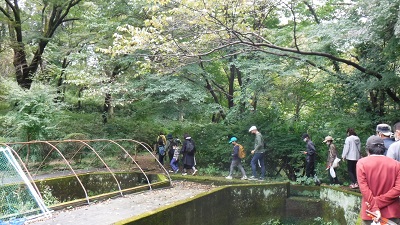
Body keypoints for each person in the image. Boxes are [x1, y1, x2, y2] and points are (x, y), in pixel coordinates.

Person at [356, 135, 400, 225]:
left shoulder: (361, 163)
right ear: (383, 148)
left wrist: (374, 206)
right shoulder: (396, 164)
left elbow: (364, 189)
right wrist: (378, 202)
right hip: (392, 214)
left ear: (368, 149)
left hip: (370, 214)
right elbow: (398, 189)